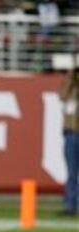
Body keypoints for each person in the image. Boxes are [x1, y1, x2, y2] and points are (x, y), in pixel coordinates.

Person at [60, 67, 78, 216]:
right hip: (71, 135)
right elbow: (62, 96)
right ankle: (70, 205)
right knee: (71, 173)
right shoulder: (70, 90)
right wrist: (70, 80)